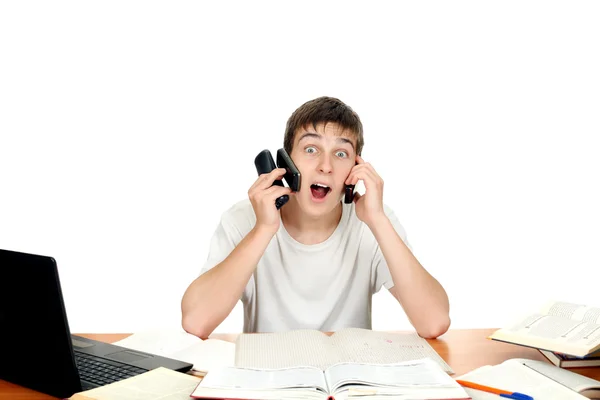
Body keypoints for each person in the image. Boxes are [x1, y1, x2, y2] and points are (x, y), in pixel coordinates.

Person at [181, 96, 450, 339]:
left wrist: (378, 221)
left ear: (355, 169)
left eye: (341, 153)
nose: (326, 165)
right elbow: (196, 322)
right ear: (286, 163)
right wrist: (263, 229)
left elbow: (434, 322)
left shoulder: (373, 221)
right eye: (311, 149)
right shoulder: (242, 219)